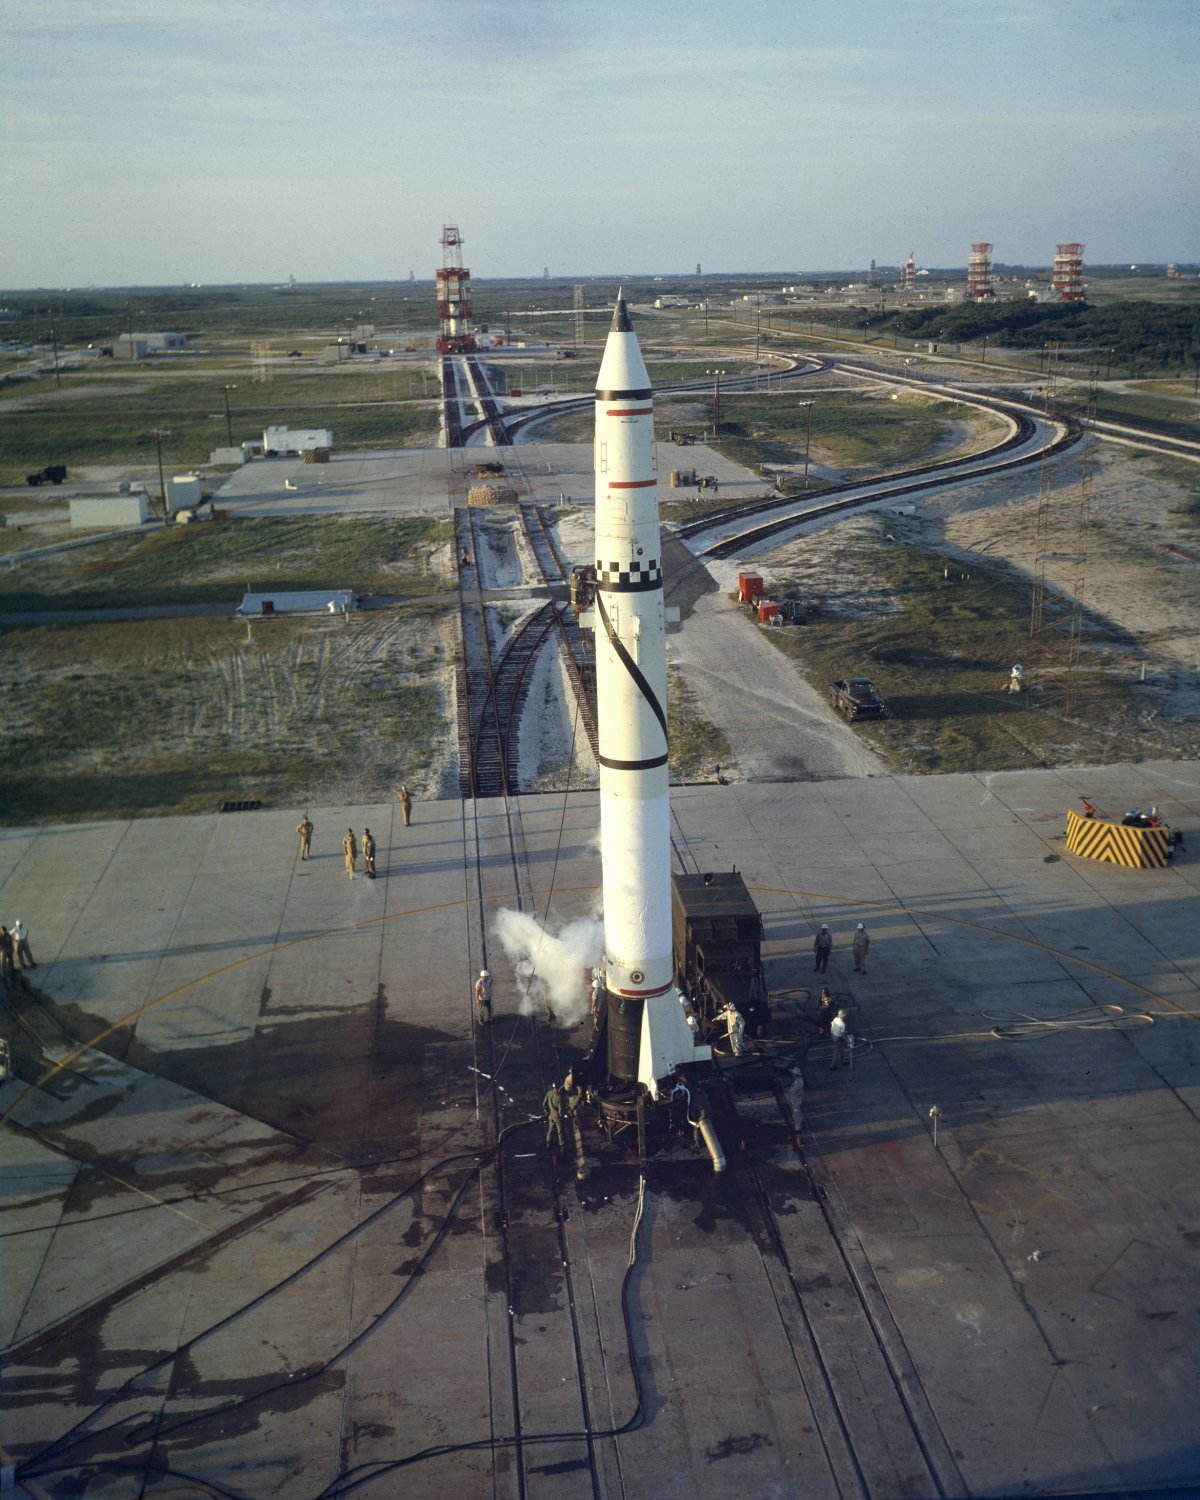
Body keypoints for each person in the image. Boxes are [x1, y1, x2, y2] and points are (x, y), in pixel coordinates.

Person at [543, 1081, 565, 1147]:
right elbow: (560, 1108)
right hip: (557, 1115)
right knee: (560, 1131)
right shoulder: (558, 1096)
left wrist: (546, 1111)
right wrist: (561, 1116)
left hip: (550, 1115)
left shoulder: (549, 1093)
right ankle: (562, 1144)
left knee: (550, 1129)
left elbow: (544, 1104)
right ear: (558, 1087)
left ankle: (548, 1141)